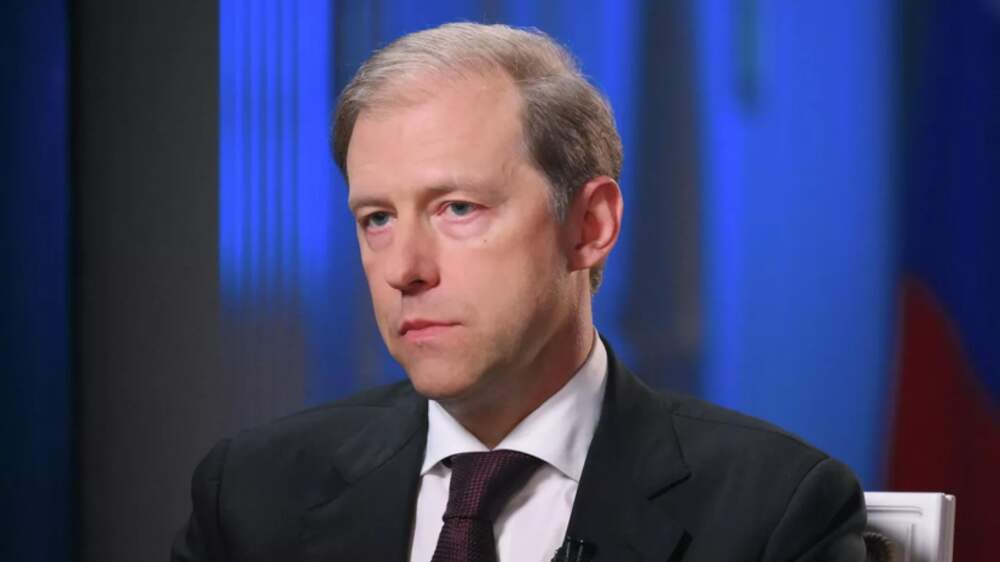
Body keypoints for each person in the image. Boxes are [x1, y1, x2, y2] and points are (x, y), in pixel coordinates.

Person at [172, 22, 866, 562]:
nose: (405, 269)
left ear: (590, 227)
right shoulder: (251, 495)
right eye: (377, 218)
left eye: (458, 209)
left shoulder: (773, 511)